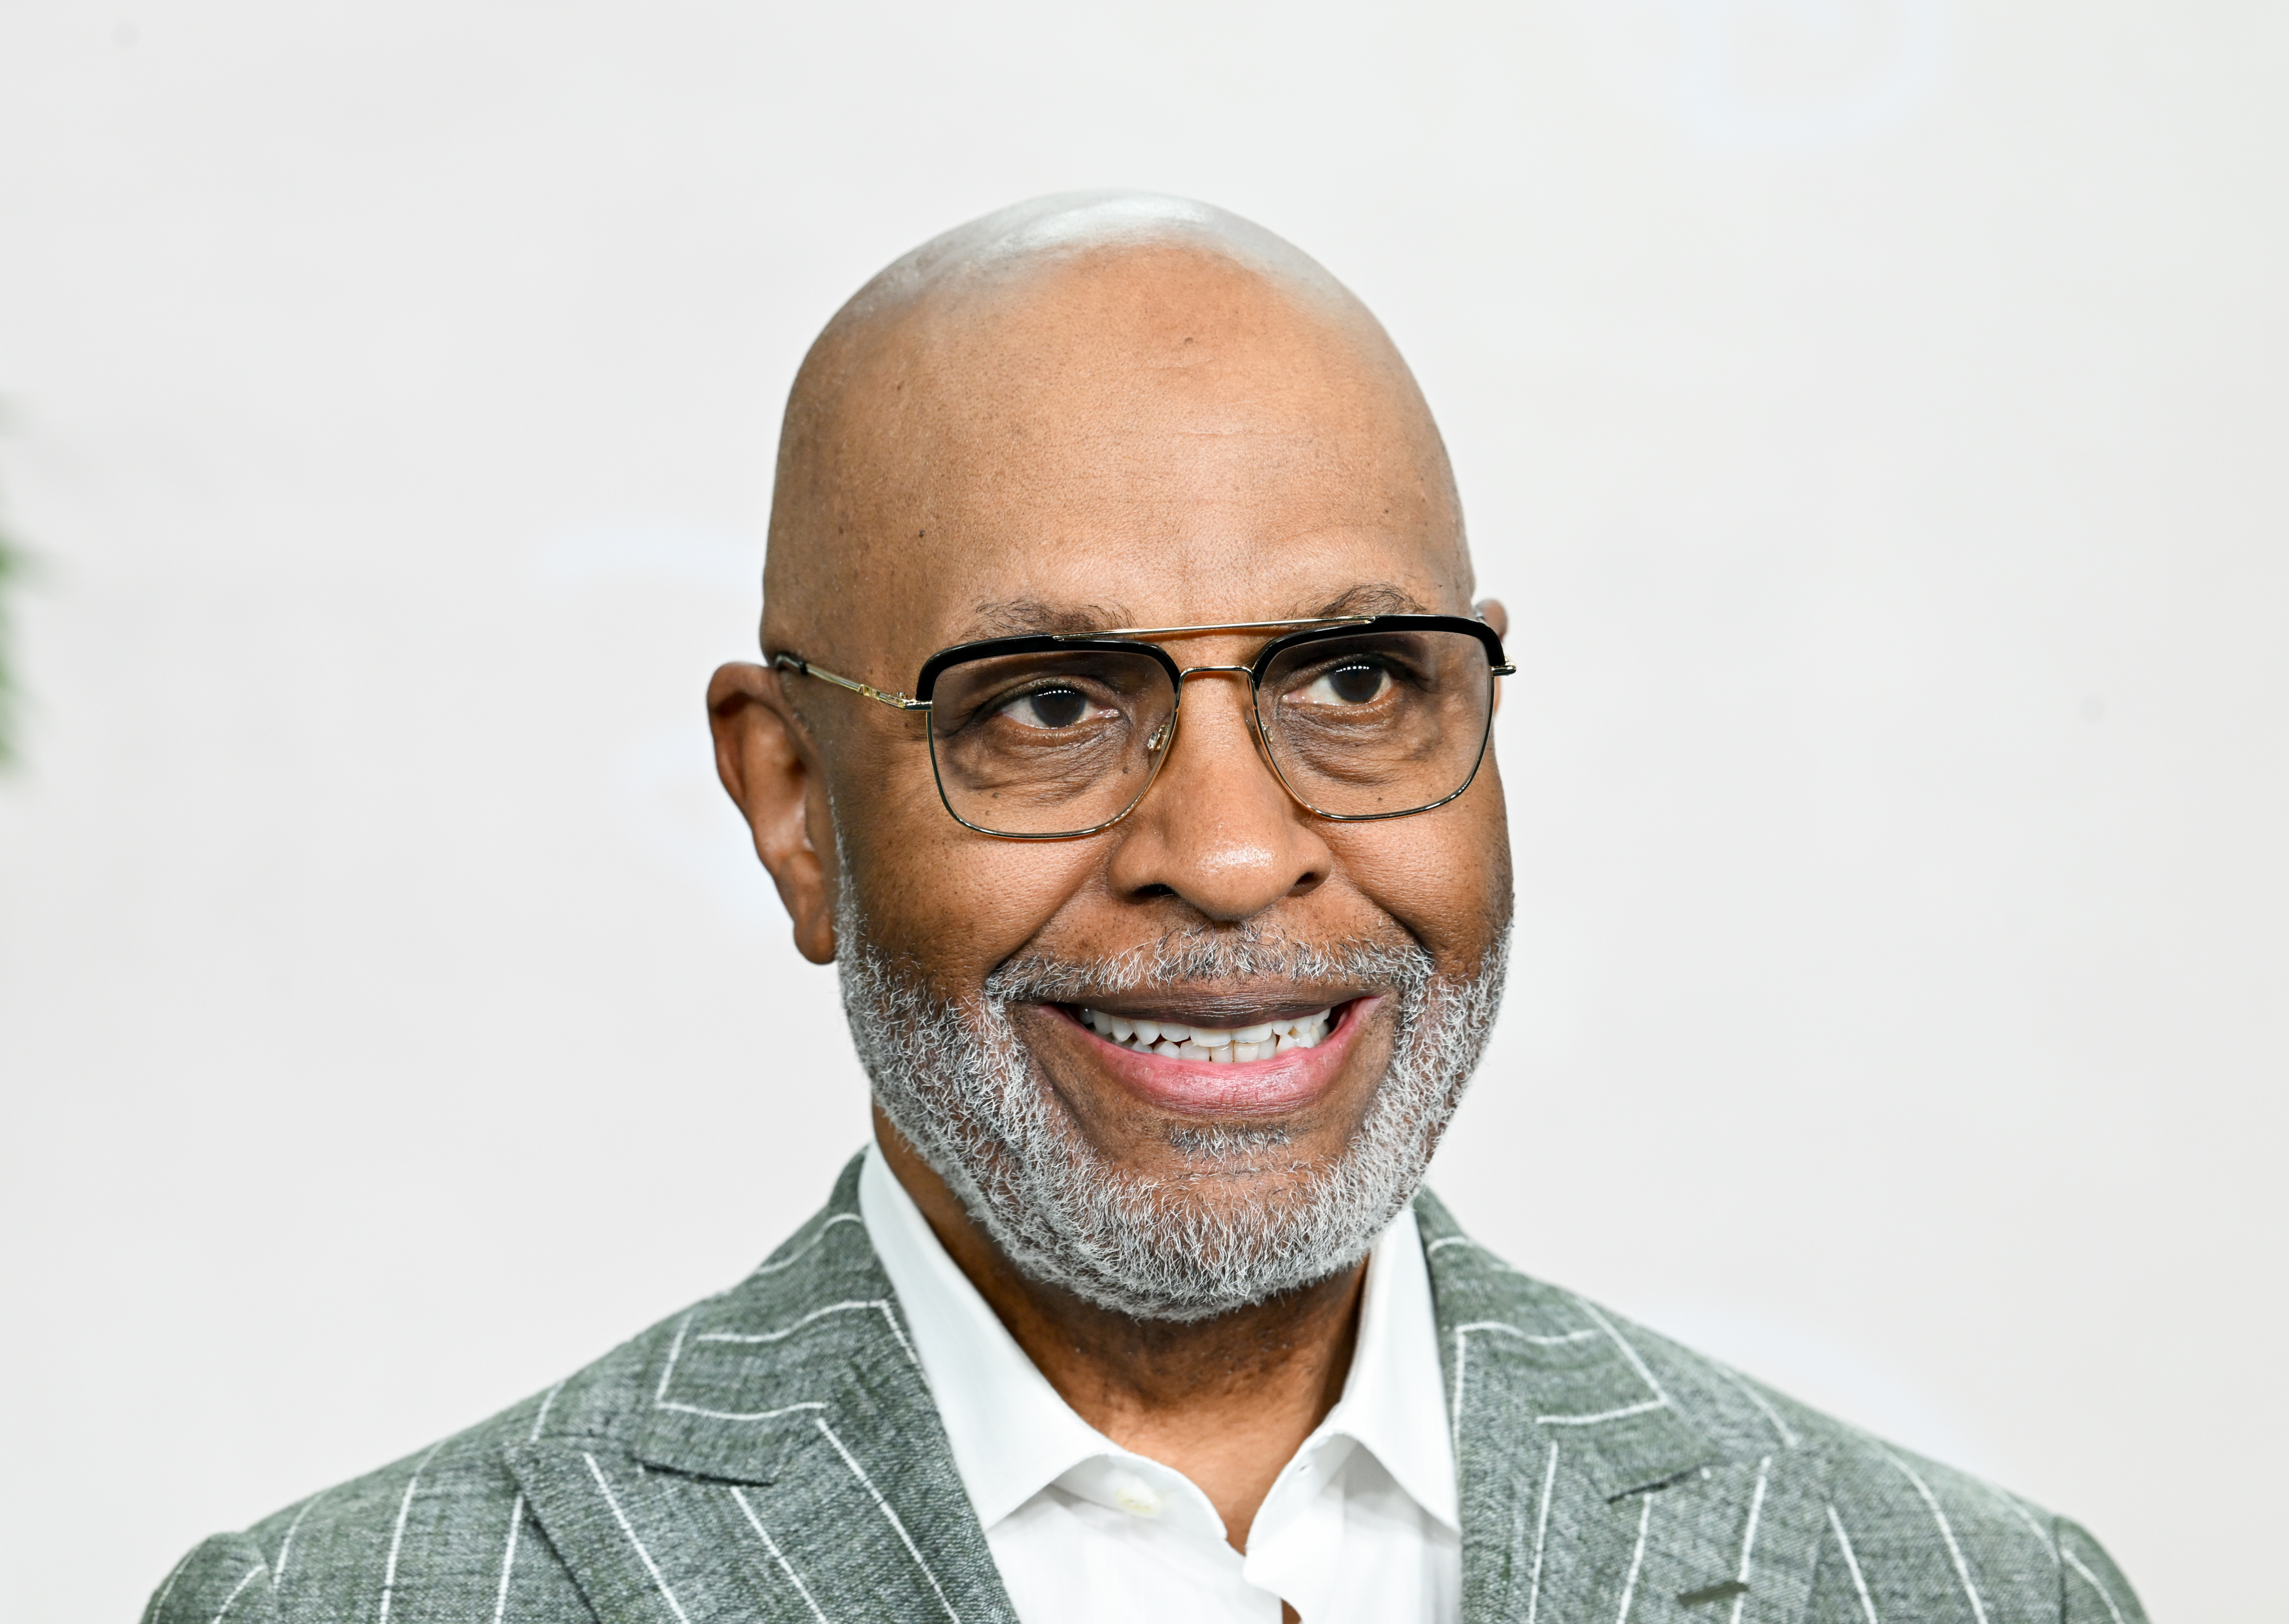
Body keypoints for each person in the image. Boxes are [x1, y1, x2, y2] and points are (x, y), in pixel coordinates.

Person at [144, 192, 2144, 1624]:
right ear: (792, 802)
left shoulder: (1965, 1593)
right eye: (1044, 705)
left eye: (1351, 679)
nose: (1234, 850)